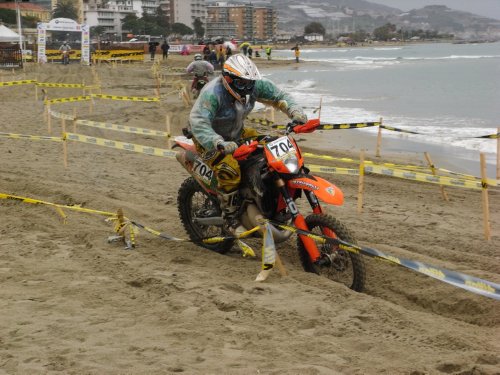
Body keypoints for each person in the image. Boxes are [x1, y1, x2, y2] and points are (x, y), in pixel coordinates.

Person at [188, 54, 307, 232]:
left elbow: (279, 96)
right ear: (228, 79)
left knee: (268, 150)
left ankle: (264, 197)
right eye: (242, 83)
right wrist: (217, 142)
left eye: (249, 83)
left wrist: (294, 110)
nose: (247, 88)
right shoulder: (212, 93)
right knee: (230, 169)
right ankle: (230, 217)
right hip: (208, 139)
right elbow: (198, 122)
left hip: (237, 133)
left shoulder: (253, 85)